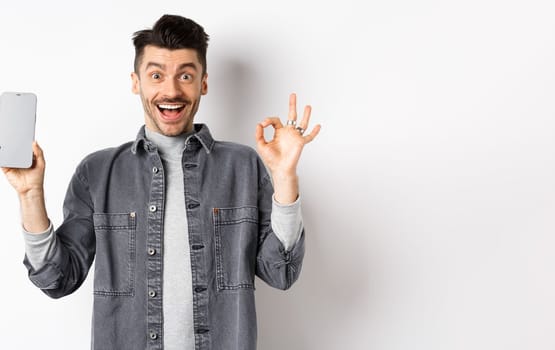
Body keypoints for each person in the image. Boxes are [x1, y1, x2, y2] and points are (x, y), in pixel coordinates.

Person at [1, 14, 319, 350]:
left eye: (185, 75)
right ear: (136, 82)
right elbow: (57, 279)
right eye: (156, 75)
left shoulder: (242, 166)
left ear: (203, 84)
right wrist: (30, 192)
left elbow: (281, 273)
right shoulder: (98, 172)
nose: (171, 90)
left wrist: (285, 178)